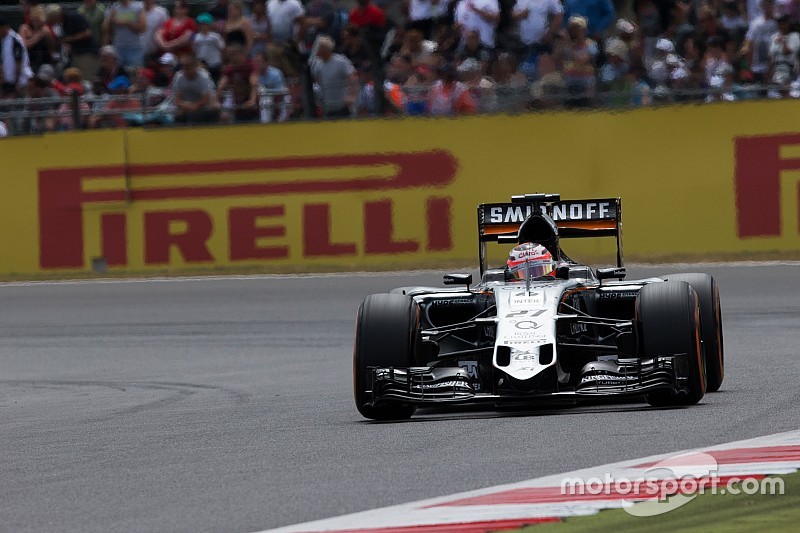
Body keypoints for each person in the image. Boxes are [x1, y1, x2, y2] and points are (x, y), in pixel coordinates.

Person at [310, 35, 357, 117]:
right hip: (327, 106)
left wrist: (351, 96)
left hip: (343, 105)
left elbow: (353, 78)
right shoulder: (316, 64)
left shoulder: (341, 61)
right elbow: (315, 80)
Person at [46, 4, 98, 78]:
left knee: (86, 77)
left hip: (86, 53)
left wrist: (69, 39)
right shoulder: (63, 24)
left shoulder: (74, 17)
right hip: (75, 54)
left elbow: (87, 33)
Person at [172, 52, 220, 123]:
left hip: (205, 105)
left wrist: (195, 106)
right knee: (178, 114)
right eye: (183, 66)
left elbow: (206, 98)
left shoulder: (204, 77)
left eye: (188, 66)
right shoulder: (178, 77)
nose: (185, 69)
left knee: (215, 107)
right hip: (188, 106)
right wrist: (187, 105)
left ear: (195, 66)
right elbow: (177, 99)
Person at [102, 0, 147, 68]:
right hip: (118, 49)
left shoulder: (138, 7)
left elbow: (143, 28)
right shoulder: (113, 8)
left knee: (134, 75)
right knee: (118, 75)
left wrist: (126, 22)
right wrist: (109, 20)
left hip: (135, 49)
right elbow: (105, 29)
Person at [0, 16, 34, 98]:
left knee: (22, 106)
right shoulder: (2, 40)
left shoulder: (15, 40)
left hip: (20, 81)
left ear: (5, 27)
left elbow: (18, 63)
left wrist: (16, 83)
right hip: (7, 82)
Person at [18, 5, 55, 73]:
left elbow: (51, 47)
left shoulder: (45, 29)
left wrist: (49, 36)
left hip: (44, 61)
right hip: (30, 61)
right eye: (37, 21)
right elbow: (24, 45)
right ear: (32, 19)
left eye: (41, 21)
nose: (39, 23)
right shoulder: (25, 28)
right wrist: (39, 35)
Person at [193, 13, 225, 81]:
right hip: (201, 64)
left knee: (216, 80)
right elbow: (195, 50)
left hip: (215, 63)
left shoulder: (215, 36)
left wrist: (222, 62)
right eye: (201, 24)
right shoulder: (196, 37)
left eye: (205, 24)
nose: (203, 26)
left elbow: (222, 48)